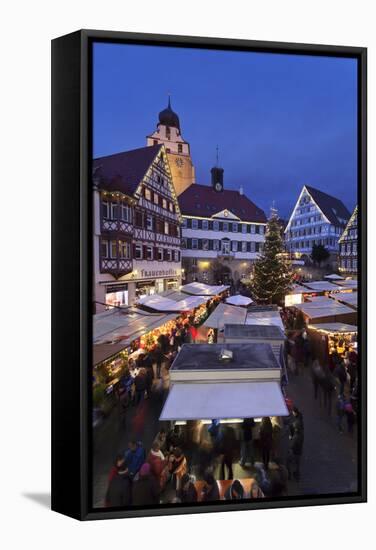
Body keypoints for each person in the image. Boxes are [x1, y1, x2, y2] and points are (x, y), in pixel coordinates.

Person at [287, 417, 304, 481]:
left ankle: (290, 476)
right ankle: (297, 476)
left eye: (294, 427)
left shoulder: (296, 436)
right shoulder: (301, 434)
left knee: (288, 463)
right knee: (297, 465)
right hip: (299, 452)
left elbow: (292, 445)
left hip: (294, 452)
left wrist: (291, 438)